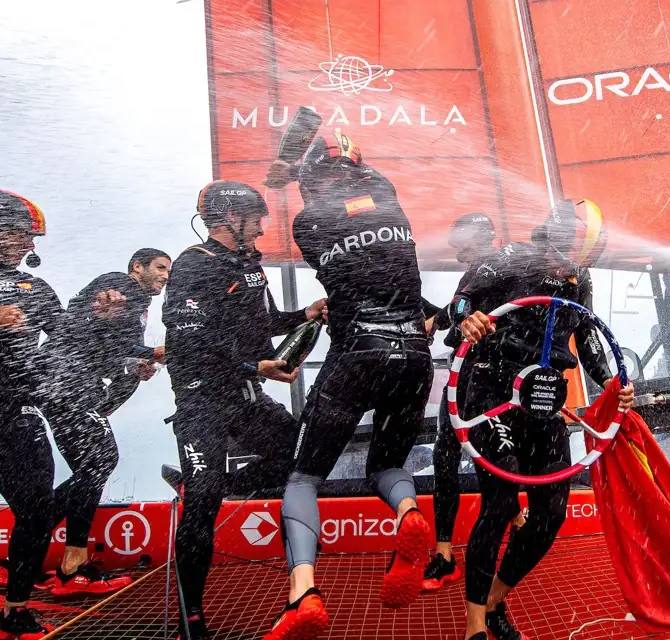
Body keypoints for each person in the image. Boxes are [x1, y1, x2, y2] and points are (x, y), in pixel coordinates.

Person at [261, 130, 436, 640]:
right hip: (415, 355)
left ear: (312, 179)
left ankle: (303, 594)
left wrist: (288, 169)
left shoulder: (308, 222)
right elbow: (360, 177)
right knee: (387, 465)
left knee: (303, 479)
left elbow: (319, 200)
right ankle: (407, 512)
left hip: (357, 353)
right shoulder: (388, 198)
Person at [453, 200, 634, 640]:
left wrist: (613, 384)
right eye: (571, 256)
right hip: (490, 392)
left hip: (543, 402)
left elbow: (588, 335)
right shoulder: (509, 259)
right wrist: (469, 320)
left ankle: (495, 600)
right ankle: (474, 626)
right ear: (553, 237)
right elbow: (459, 305)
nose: (573, 267)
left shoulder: (580, 280)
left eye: (582, 261)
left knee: (551, 513)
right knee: (501, 499)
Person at [163, 180, 326, 640]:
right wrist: (253, 365)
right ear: (230, 219)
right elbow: (189, 339)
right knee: (202, 508)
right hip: (202, 402)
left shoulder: (249, 264)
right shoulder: (193, 265)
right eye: (256, 218)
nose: (262, 226)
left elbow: (266, 323)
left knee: (295, 456)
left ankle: (209, 484)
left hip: (247, 398)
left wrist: (304, 315)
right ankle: (190, 621)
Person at [37, 248, 170, 596]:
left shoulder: (137, 305)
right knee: (100, 461)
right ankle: (72, 567)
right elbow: (88, 326)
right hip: (66, 383)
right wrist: (154, 353)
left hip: (65, 384)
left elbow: (106, 349)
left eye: (168, 271)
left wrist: (132, 366)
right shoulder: (120, 283)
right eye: (160, 267)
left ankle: (29, 550)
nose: (166, 276)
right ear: (137, 267)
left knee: (91, 467)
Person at [422, 212, 500, 592]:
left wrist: (442, 319)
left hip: (474, 375)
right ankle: (511, 525)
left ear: (477, 238)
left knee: (451, 456)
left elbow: (461, 312)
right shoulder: (488, 268)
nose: (454, 246)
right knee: (485, 456)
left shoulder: (483, 267)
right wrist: (437, 317)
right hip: (482, 375)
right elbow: (457, 311)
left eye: (460, 239)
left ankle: (446, 553)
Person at [0, 190, 61, 639]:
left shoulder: (35, 288)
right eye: (21, 235)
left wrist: (126, 352)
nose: (29, 246)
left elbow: (68, 337)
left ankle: (16, 610)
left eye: (31, 238)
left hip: (18, 415)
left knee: (36, 510)